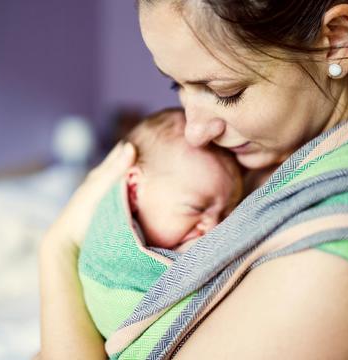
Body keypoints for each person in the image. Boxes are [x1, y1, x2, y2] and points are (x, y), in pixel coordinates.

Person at [38, 1, 348, 359]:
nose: (195, 130)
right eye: (177, 87)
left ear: (336, 42)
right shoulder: (260, 166)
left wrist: (58, 251)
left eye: (225, 91)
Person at [77, 107, 243, 342]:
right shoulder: (110, 248)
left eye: (226, 214)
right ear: (134, 189)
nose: (214, 227)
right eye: (196, 208)